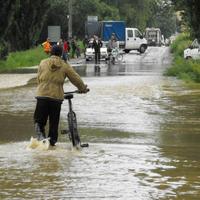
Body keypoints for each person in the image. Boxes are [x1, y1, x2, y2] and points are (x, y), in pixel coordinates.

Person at [34, 44, 89, 146]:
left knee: (39, 122)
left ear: (50, 52)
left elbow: (38, 79)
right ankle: (51, 144)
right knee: (54, 124)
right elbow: (75, 78)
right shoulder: (64, 65)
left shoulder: (42, 63)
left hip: (41, 96)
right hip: (56, 99)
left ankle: (41, 139)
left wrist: (42, 89)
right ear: (61, 54)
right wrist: (83, 89)